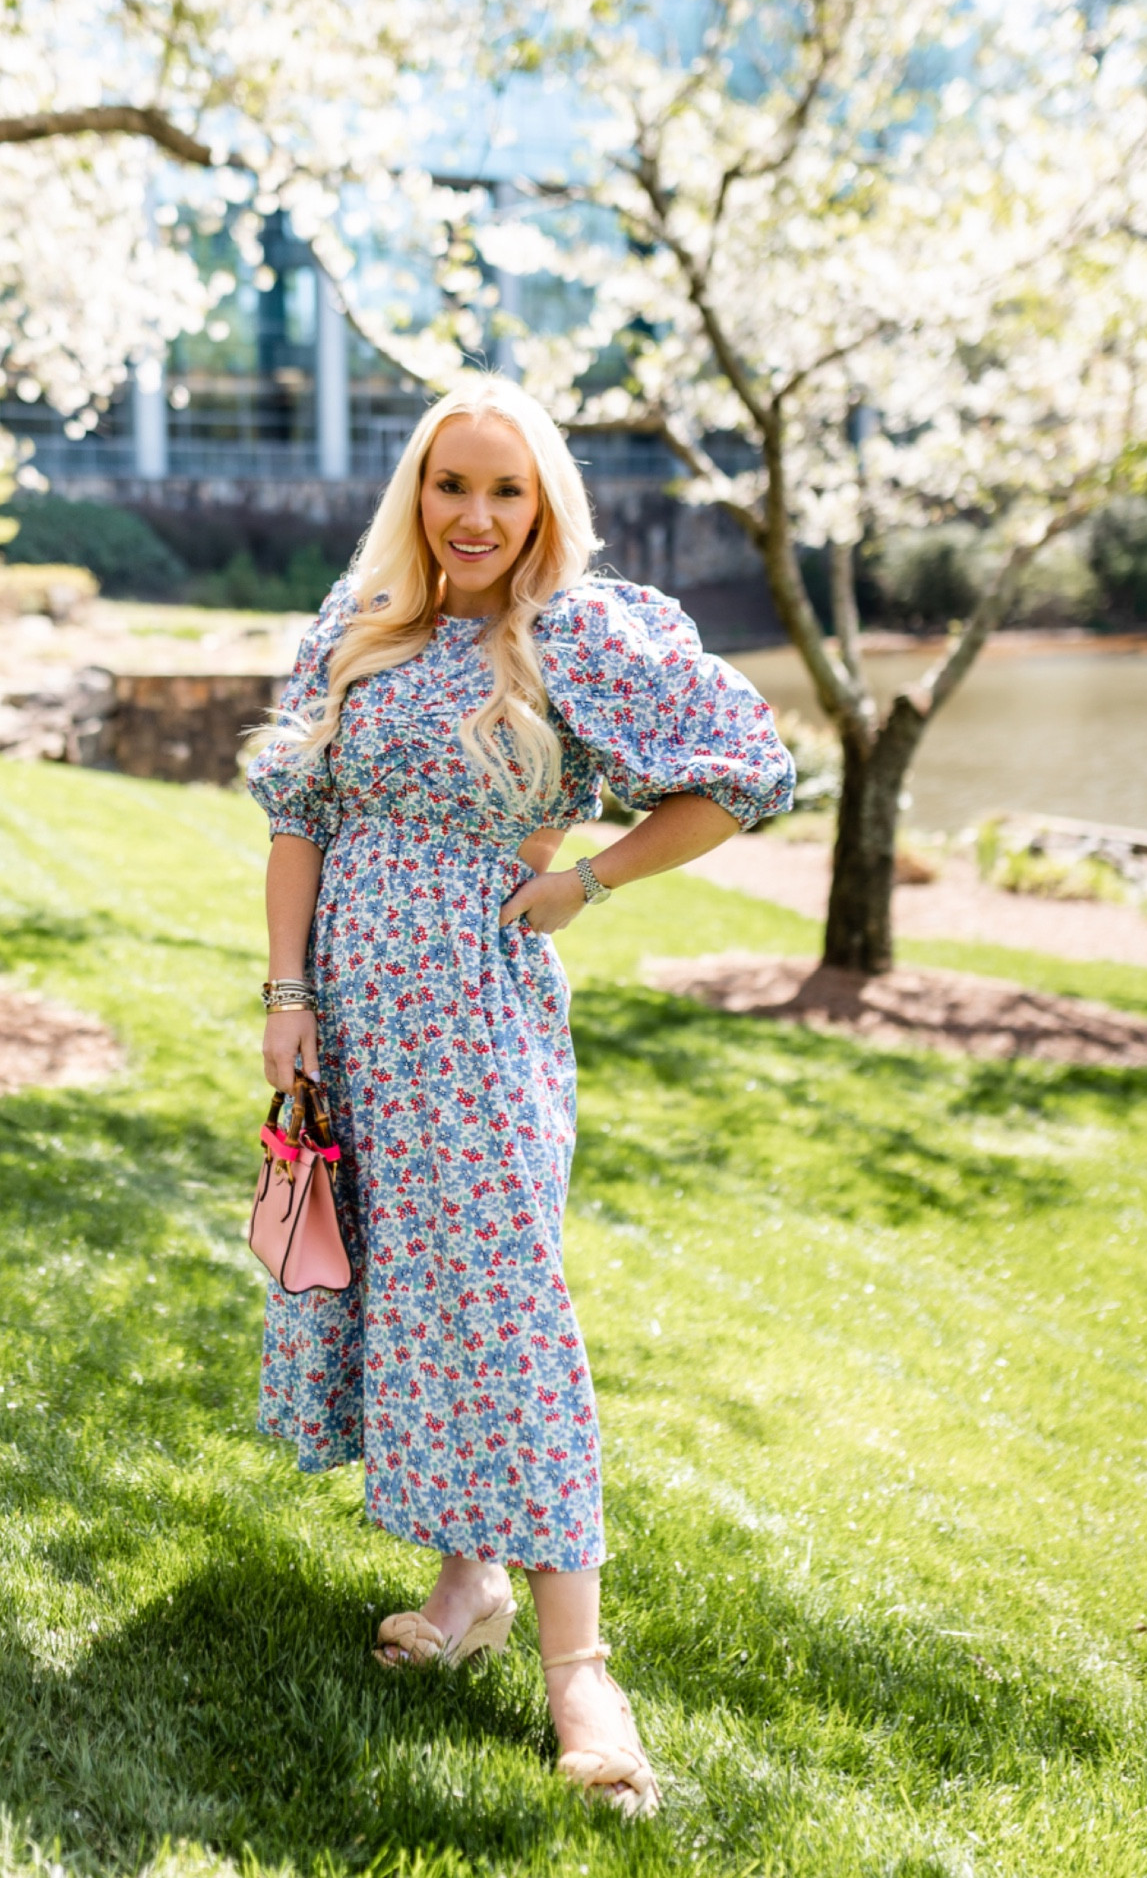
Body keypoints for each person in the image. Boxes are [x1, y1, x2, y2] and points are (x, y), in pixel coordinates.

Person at [247, 374, 794, 1819]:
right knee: (414, 1292)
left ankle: (579, 1666)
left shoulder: (582, 635)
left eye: (506, 489)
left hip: (479, 1024)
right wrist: (286, 999)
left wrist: (587, 880)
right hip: (352, 1020)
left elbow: (747, 772)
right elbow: (301, 825)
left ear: (546, 501)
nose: (476, 515)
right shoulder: (356, 627)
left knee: (502, 1302)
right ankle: (464, 1585)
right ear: (414, 496)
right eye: (451, 485)